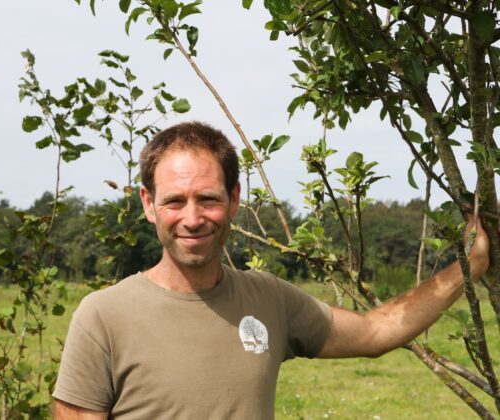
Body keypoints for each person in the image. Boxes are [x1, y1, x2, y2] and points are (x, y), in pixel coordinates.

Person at [52, 121, 489, 419]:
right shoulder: (102, 317)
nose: (192, 217)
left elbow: (376, 332)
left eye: (207, 198)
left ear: (234, 199)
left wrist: (469, 266)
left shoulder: (270, 299)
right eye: (173, 201)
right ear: (148, 204)